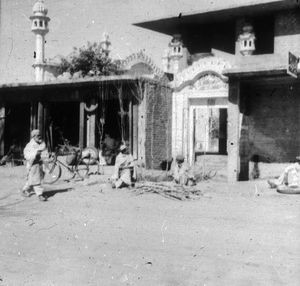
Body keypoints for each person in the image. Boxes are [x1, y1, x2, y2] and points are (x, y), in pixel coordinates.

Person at [21, 129, 49, 201]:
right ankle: (40, 195)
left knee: (32, 180)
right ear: (33, 136)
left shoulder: (42, 143)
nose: (39, 137)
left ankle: (24, 190)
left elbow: (45, 152)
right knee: (36, 180)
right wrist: (35, 154)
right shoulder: (29, 145)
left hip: (41, 164)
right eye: (37, 135)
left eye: (40, 135)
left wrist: (47, 156)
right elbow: (26, 155)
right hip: (33, 164)